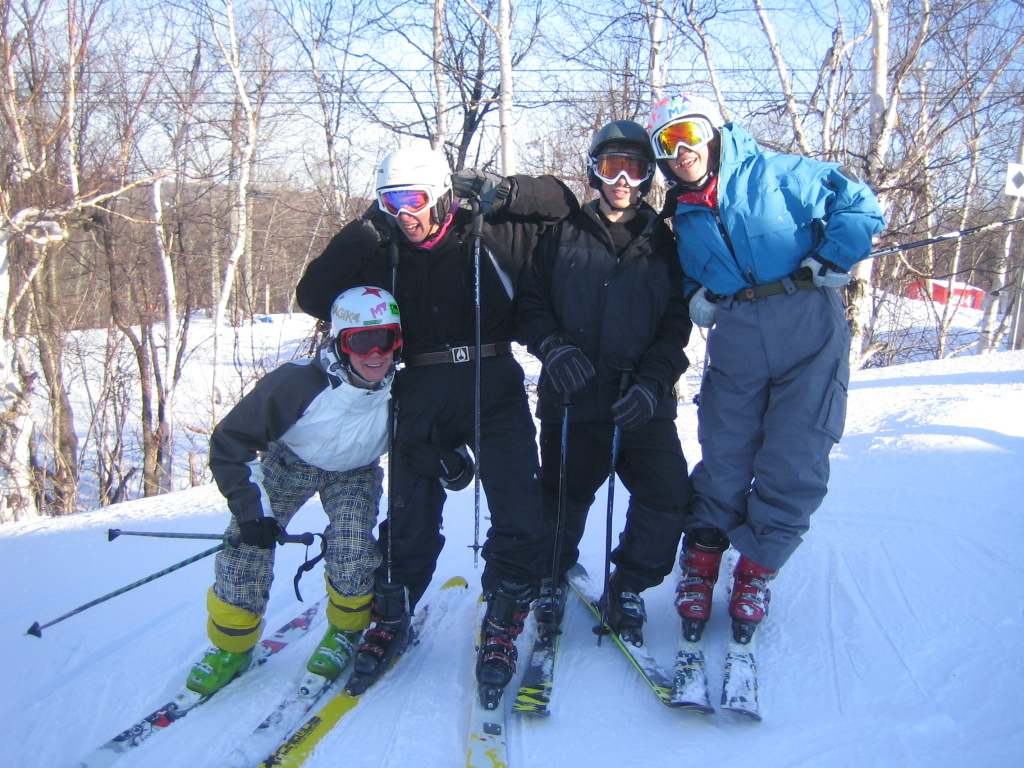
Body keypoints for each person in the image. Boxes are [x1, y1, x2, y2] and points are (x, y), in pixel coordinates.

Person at [294, 147, 577, 706]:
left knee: (520, 505)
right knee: (409, 514)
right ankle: (393, 607)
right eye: (391, 202)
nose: (405, 213)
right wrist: (361, 232)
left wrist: (505, 190)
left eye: (414, 200)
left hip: (491, 380)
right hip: (418, 387)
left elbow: (563, 205)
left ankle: (503, 614)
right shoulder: (384, 251)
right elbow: (312, 298)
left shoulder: (489, 231)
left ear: (441, 194)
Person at [646, 94, 885, 645]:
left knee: (796, 452)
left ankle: (756, 566)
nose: (681, 152)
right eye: (667, 144)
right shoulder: (681, 214)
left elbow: (860, 205)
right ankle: (703, 560)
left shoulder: (779, 174)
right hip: (736, 333)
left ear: (713, 131)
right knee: (725, 447)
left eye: (688, 135)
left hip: (805, 316)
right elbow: (682, 273)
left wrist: (835, 255)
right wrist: (695, 294)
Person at [180, 287, 469, 706]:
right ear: (339, 341)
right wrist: (250, 512)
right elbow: (230, 441)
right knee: (245, 547)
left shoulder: (405, 389)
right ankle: (231, 645)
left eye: (386, 339)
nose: (375, 354)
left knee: (352, 547)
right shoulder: (298, 382)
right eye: (360, 341)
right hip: (289, 461)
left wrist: (454, 464)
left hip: (354, 472)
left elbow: (448, 449)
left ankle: (346, 631)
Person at [516, 120, 692, 646]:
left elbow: (675, 325)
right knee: (563, 495)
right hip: (573, 395)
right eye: (612, 167)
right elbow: (530, 304)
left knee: (667, 495)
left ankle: (630, 584)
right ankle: (551, 574)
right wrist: (552, 346)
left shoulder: (665, 244)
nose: (622, 180)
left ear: (647, 177)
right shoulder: (561, 234)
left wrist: (653, 383)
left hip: (642, 399)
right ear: (594, 170)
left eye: (634, 169)